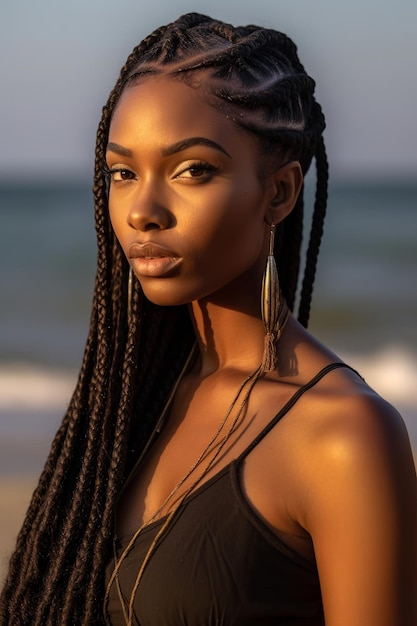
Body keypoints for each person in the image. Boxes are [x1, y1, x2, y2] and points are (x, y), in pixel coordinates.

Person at [1, 12, 416, 626]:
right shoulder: (129, 403)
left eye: (192, 169)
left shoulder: (344, 437)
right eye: (123, 173)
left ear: (278, 192)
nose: (143, 210)